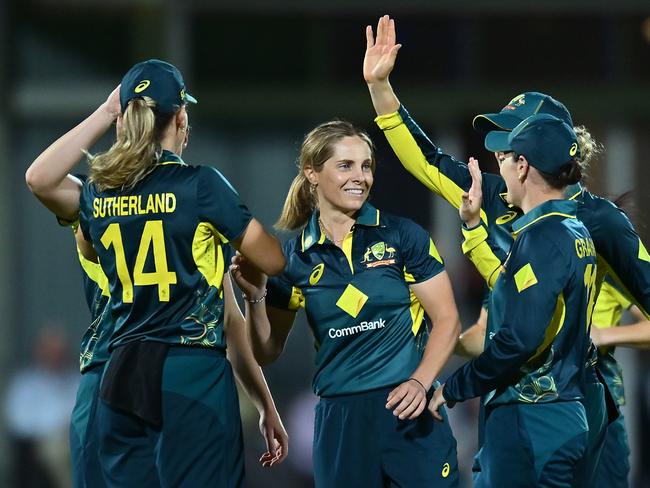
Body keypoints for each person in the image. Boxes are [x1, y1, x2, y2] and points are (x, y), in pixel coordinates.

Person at [363, 14, 650, 485]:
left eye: (511, 139)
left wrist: (606, 336)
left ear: (533, 155)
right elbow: (429, 162)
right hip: (507, 397)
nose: (498, 152)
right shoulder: (493, 195)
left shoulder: (599, 221)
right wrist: (381, 89)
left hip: (575, 399)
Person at [25, 59, 287, 487]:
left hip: (115, 373)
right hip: (186, 367)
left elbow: (40, 178)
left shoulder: (98, 197)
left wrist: (108, 111)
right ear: (181, 117)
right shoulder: (198, 194)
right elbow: (247, 299)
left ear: (127, 118)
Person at [230, 120, 461, 487]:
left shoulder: (403, 236)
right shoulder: (293, 260)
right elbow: (266, 350)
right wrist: (254, 296)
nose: (361, 176)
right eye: (346, 165)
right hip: (341, 421)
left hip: (408, 407)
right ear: (312, 173)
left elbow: (447, 319)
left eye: (366, 165)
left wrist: (420, 382)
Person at [427, 114, 596, 486]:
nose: (498, 167)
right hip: (560, 413)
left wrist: (454, 388)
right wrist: (472, 227)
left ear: (523, 167)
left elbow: (518, 338)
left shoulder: (541, 238)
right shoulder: (571, 229)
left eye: (504, 158)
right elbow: (511, 285)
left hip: (530, 418)